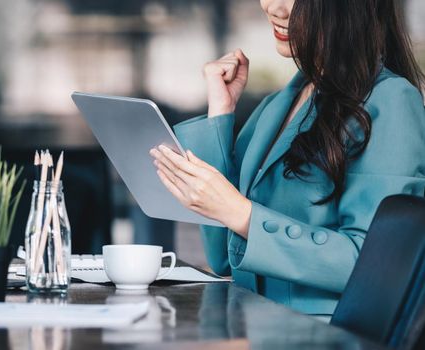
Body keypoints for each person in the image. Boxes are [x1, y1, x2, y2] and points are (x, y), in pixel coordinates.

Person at [150, 0, 425, 316]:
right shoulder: (279, 106)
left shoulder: (392, 101)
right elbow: (224, 257)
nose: (271, 6)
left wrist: (242, 214)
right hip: (250, 325)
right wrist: (220, 112)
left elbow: (377, 266)